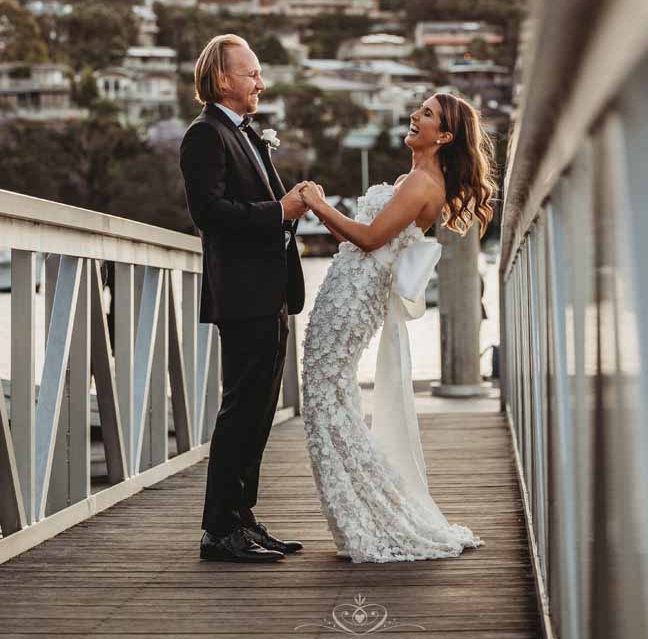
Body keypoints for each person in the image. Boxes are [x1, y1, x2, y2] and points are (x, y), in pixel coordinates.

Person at [299, 92, 498, 563]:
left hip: (354, 299)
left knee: (327, 399)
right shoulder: (417, 179)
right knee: (331, 397)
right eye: (420, 109)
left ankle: (375, 515)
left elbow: (368, 239)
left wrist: (315, 203)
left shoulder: (423, 183)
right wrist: (329, 211)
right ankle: (364, 513)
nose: (415, 115)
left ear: (444, 136)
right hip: (347, 290)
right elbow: (361, 235)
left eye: (427, 114)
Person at [179, 34, 310, 564]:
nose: (261, 82)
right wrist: (280, 211)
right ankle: (218, 530)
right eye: (252, 73)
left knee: (259, 412)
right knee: (240, 410)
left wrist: (286, 209)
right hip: (243, 293)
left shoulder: (246, 134)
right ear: (223, 79)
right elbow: (209, 214)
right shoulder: (205, 136)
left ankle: (243, 519)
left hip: (271, 291)